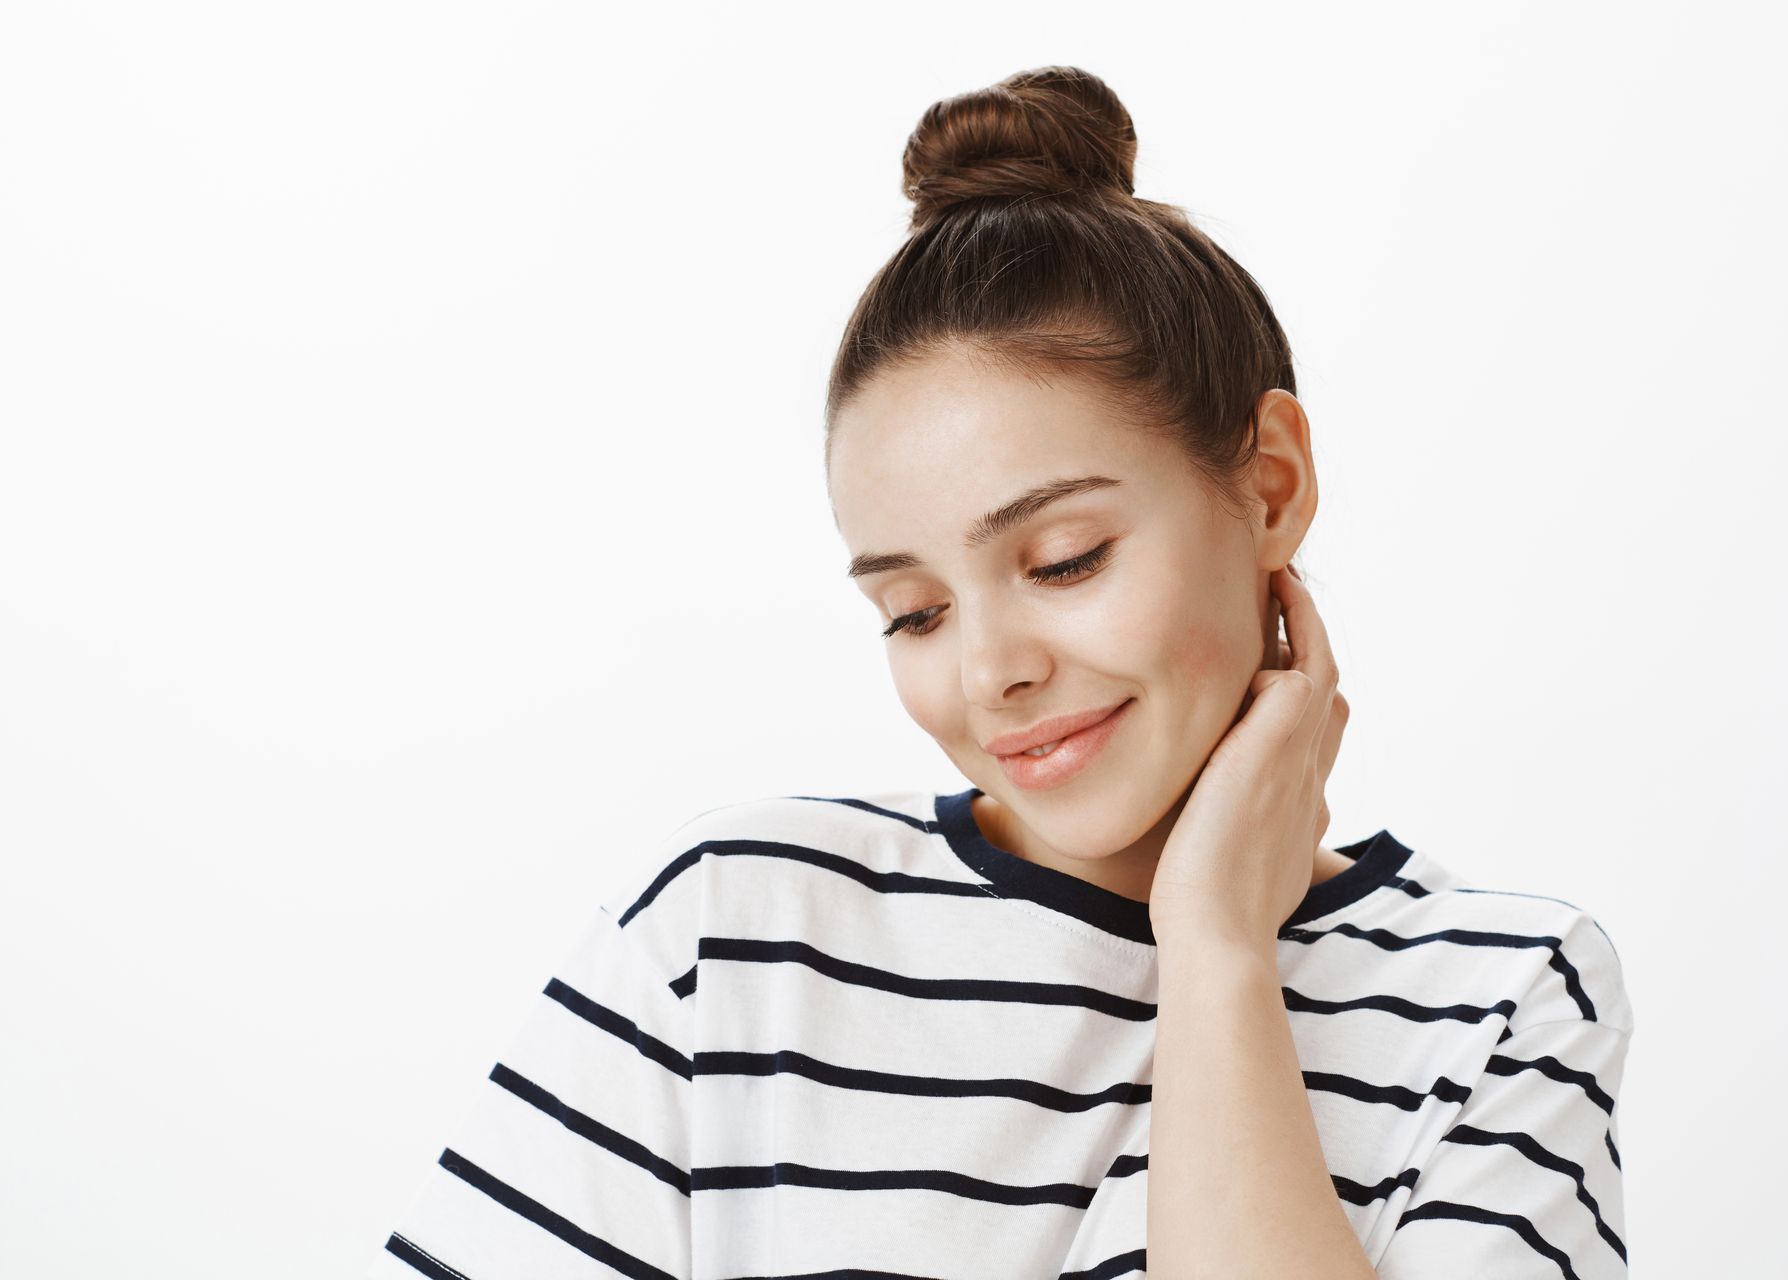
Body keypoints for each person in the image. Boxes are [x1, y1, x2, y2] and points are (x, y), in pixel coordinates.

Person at [366, 65, 1632, 1279]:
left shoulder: (1503, 993)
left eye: (1065, 559)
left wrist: (1220, 952)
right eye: (913, 612)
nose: (991, 672)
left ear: (1271, 486)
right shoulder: (736, 937)